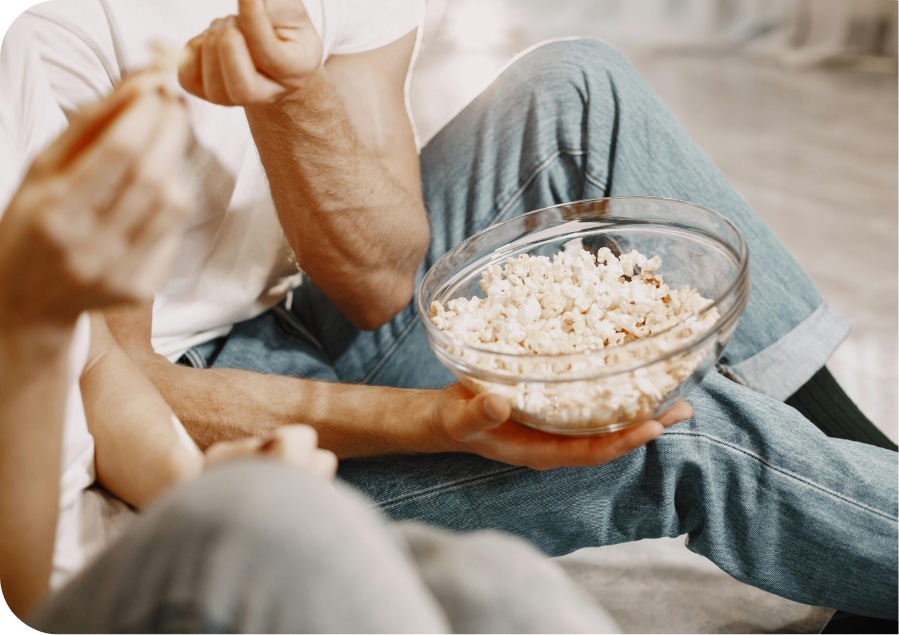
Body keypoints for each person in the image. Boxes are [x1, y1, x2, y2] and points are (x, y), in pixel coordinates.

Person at [2, 0, 896, 621]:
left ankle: (868, 499)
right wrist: (436, 422)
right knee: (678, 434)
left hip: (293, 320)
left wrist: (289, 94)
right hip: (188, 412)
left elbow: (377, 285)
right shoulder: (51, 45)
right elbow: (112, 391)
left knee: (575, 84)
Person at [0, 62, 623, 634]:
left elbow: (101, 363)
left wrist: (195, 483)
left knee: (494, 586)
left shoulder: (12, 57)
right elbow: (32, 584)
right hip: (65, 573)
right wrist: (30, 322)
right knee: (295, 522)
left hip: (137, 507)